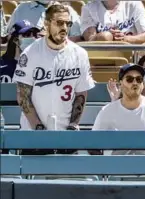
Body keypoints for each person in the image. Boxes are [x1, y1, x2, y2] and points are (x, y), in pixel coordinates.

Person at [13, 4, 95, 155]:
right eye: (59, 22)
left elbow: (81, 94)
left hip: (66, 135)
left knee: (67, 178)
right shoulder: (30, 53)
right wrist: (38, 127)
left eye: (67, 23)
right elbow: (23, 95)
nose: (64, 27)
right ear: (46, 23)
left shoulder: (80, 54)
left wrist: (73, 125)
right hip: (33, 135)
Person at [91, 63, 145, 156]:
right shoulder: (107, 111)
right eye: (129, 79)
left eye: (139, 79)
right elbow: (93, 144)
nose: (135, 83)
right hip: (118, 167)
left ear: (142, 84)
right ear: (121, 84)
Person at [81, 0, 145, 44]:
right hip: (102, 59)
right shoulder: (88, 8)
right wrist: (106, 36)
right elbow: (90, 41)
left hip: (130, 57)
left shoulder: (134, 4)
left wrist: (125, 39)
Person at [6, 1, 82, 42]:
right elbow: (9, 36)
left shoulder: (68, 10)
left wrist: (53, 40)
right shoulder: (21, 9)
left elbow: (79, 38)